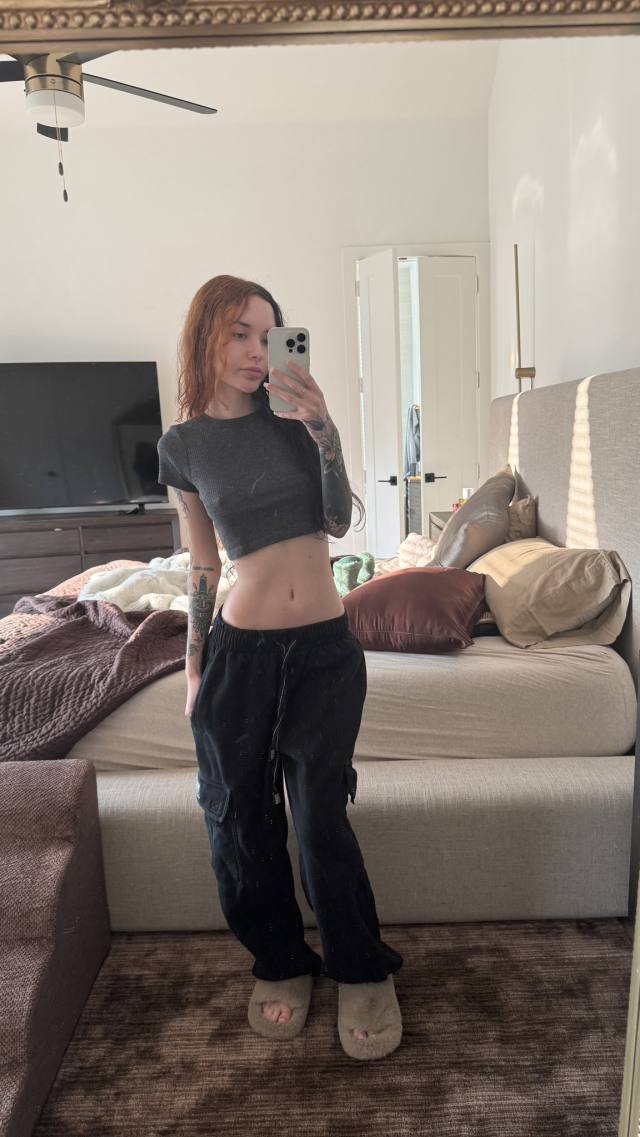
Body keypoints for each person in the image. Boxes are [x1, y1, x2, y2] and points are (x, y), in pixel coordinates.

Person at [157, 274, 403, 1061]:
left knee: (321, 817)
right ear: (205, 335)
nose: (257, 351)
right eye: (239, 332)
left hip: (326, 652)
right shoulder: (183, 446)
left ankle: (359, 963)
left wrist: (324, 428)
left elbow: (336, 519)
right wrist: (194, 664)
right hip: (240, 651)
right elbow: (202, 563)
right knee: (239, 817)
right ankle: (280, 958)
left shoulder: (297, 420)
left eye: (268, 335)